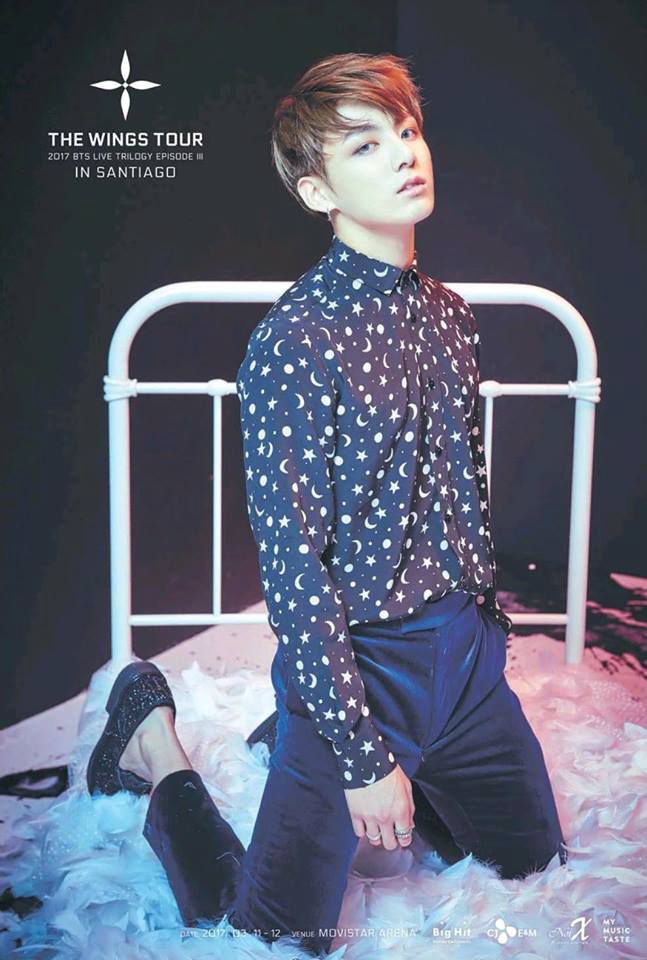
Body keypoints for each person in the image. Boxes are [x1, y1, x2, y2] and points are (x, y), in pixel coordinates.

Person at [86, 52, 568, 957]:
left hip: (464, 660)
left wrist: (484, 637)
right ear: (318, 192)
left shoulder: (450, 314)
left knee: (534, 865)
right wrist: (358, 752)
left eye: (406, 131)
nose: (404, 153)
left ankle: (335, 749)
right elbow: (293, 568)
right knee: (275, 935)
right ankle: (153, 743)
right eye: (365, 144)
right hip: (358, 665)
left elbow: (459, 493)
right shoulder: (293, 342)